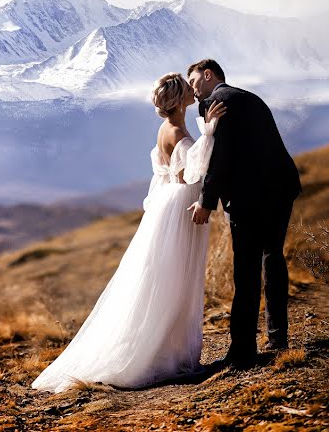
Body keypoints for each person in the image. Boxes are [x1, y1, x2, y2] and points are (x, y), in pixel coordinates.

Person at [32, 73, 226, 392]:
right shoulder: (178, 131)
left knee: (163, 279)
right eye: (186, 90)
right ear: (179, 102)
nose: (194, 91)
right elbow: (192, 171)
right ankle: (164, 355)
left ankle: (166, 349)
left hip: (167, 207)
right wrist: (210, 132)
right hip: (179, 211)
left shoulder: (166, 128)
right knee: (174, 281)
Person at [187, 59, 301, 368]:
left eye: (195, 81)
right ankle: (278, 338)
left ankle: (243, 350)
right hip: (281, 187)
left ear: (208, 75)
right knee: (273, 257)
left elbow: (219, 156)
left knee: (246, 270)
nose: (193, 90)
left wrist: (207, 201)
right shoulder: (248, 97)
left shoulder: (215, 102)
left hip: (248, 197)